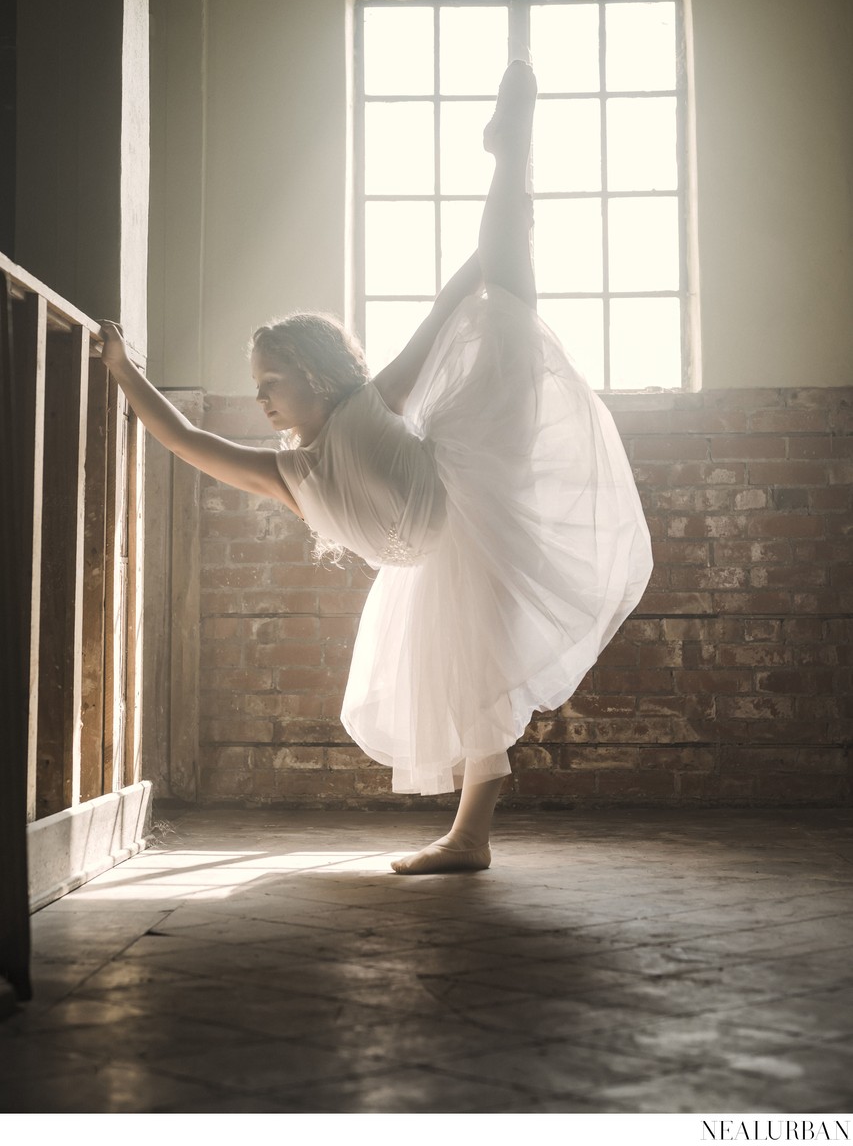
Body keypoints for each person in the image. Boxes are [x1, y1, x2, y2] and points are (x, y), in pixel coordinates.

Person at [101, 60, 653, 875]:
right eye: (256, 390)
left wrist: (491, 250)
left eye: (269, 385)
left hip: (478, 474)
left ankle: (509, 161)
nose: (261, 403)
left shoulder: (370, 402)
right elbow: (184, 439)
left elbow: (439, 317)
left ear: (317, 377)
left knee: (504, 307)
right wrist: (123, 373)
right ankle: (469, 840)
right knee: (469, 683)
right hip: (434, 557)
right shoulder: (290, 476)